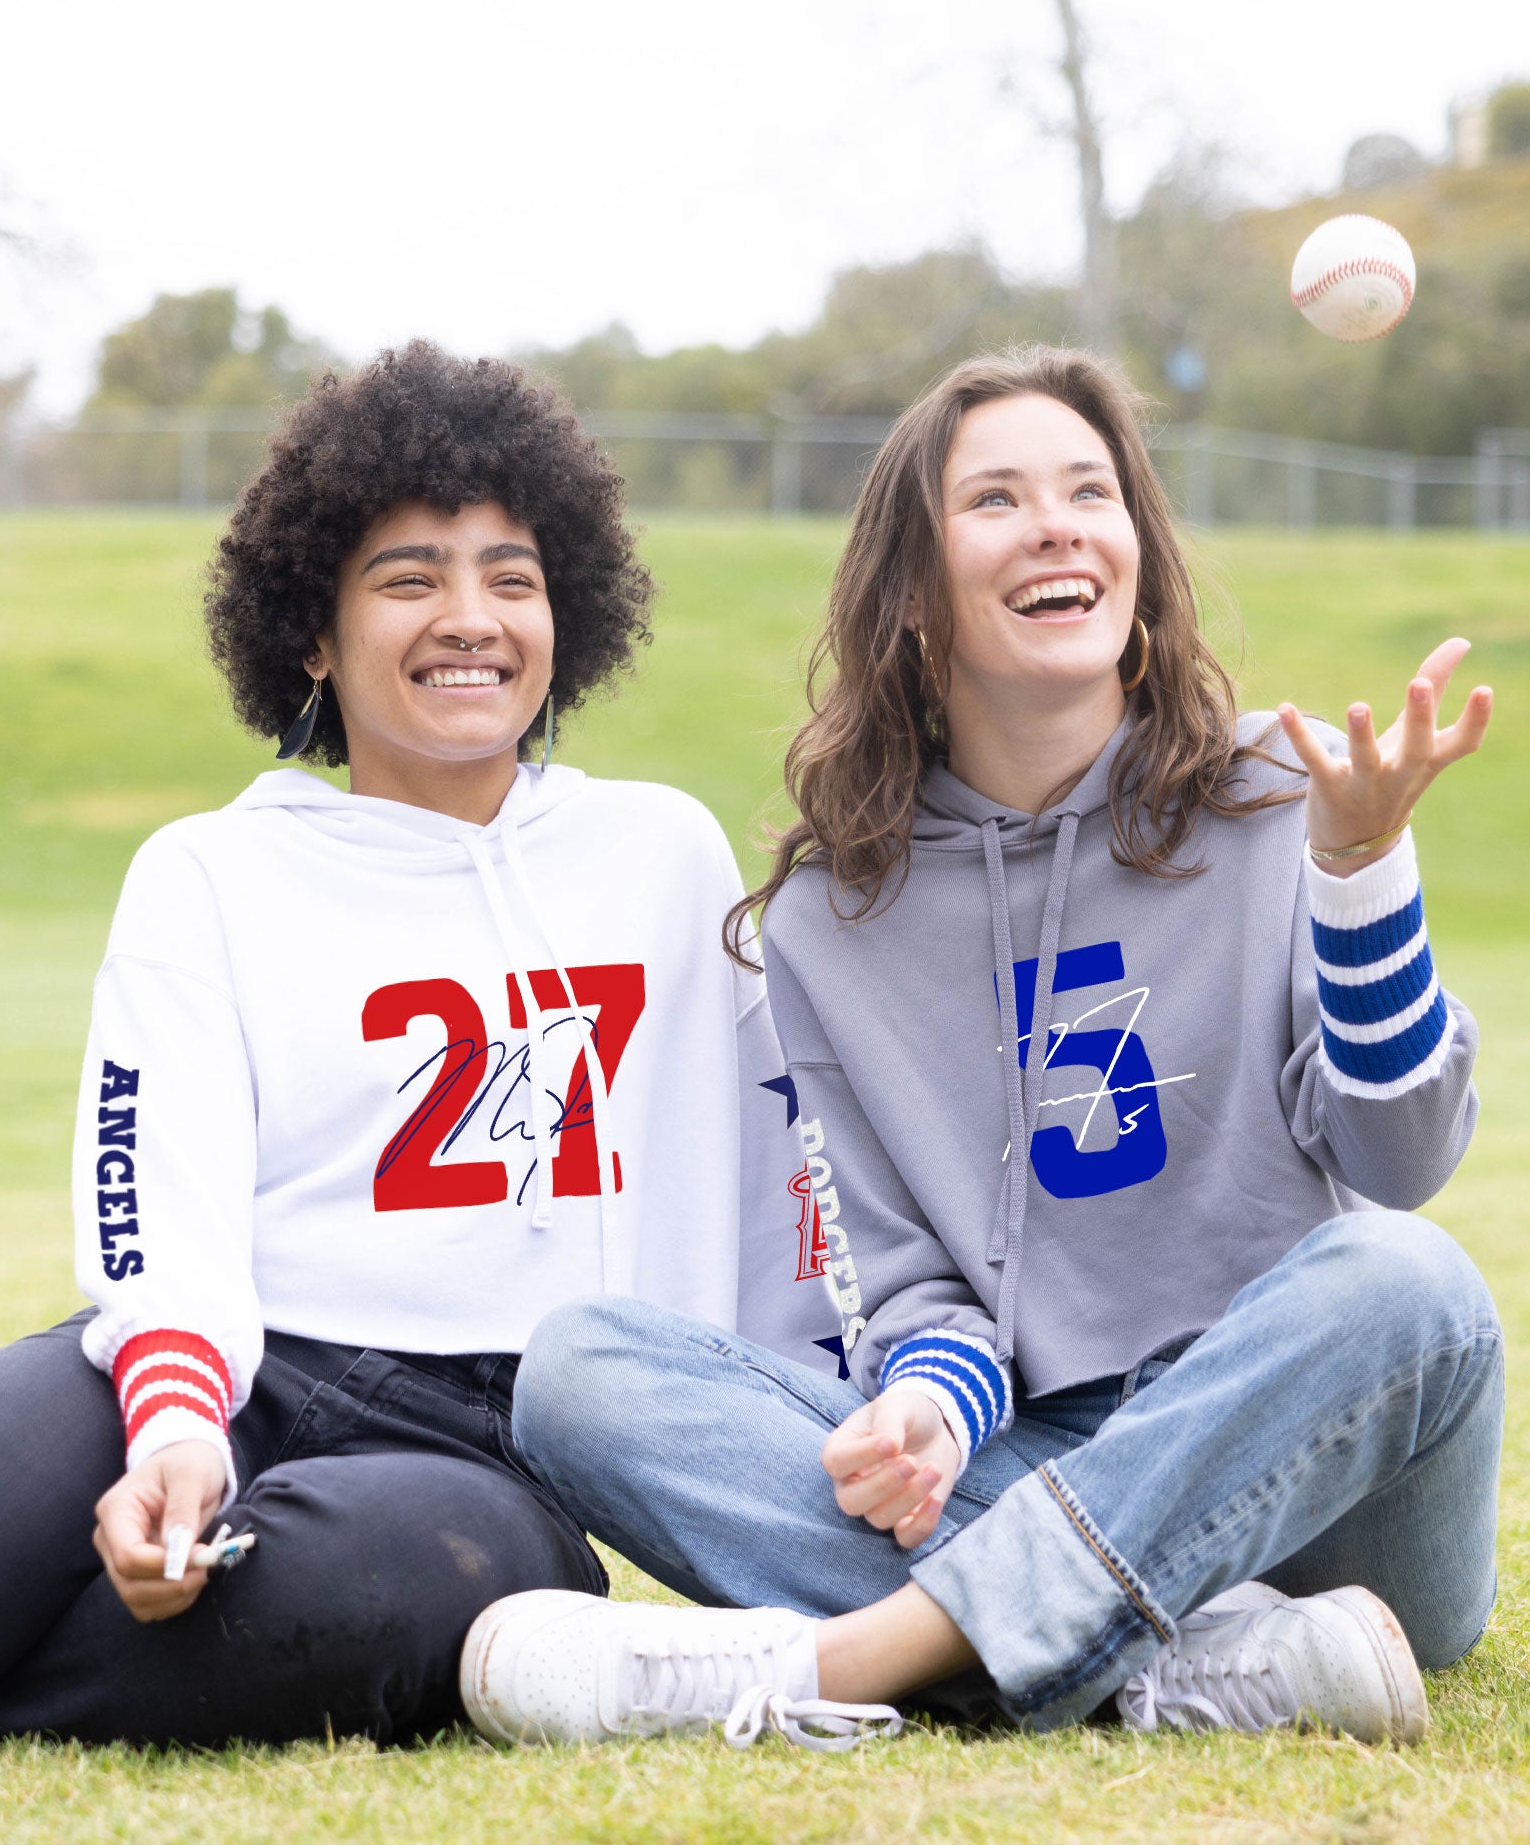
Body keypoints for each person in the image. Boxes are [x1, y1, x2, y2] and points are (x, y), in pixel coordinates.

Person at [0, 343, 829, 1746]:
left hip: (504, 1446)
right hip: (244, 1359)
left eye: (511, 577)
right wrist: (175, 1424)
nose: (471, 617)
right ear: (314, 636)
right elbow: (161, 1183)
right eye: (411, 578)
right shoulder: (216, 872)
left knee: (352, 1607)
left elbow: (772, 1188)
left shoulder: (665, 856)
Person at [464, 346, 1500, 1752]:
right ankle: (1194, 1667)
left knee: (1407, 1278)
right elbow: (924, 1295)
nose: (1059, 522)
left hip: (1320, 1479)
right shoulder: (838, 914)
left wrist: (1364, 869)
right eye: (998, 499)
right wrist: (933, 1426)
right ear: (914, 590)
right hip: (1043, 1456)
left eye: (1091, 491)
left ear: (1136, 554)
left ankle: (853, 1660)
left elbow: (1402, 1156)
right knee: (580, 1372)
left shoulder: (1283, 792)